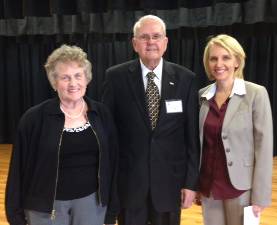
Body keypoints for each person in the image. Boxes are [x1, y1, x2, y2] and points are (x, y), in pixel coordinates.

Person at [102, 15, 200, 225]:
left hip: (170, 184)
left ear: (165, 42)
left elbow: (191, 138)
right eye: (144, 37)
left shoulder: (186, 79)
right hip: (129, 185)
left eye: (156, 36)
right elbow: (107, 135)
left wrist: (191, 184)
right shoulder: (115, 78)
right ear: (134, 43)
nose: (151, 42)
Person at [5, 44, 118, 225]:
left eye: (77, 76)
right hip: (44, 207)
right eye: (65, 77)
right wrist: (15, 214)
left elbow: (112, 163)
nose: (73, 83)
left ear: (86, 78)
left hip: (92, 204)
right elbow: (18, 169)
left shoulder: (101, 114)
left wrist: (112, 208)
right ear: (54, 82)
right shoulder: (34, 119)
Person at [197, 34, 273, 225]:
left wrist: (260, 195)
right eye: (213, 58)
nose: (219, 63)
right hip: (209, 186)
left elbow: (264, 148)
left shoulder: (256, 93)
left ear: (237, 61)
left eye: (226, 57)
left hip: (241, 187)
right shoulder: (202, 96)